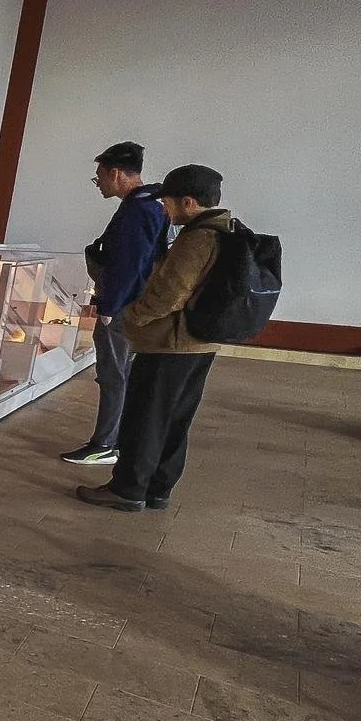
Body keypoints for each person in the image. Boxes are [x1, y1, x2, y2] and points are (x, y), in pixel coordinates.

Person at [77, 164, 229, 512]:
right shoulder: (224, 230)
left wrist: (133, 316)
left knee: (145, 418)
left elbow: (169, 293)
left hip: (169, 344)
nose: (164, 208)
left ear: (188, 202)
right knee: (175, 419)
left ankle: (128, 489)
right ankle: (158, 488)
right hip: (199, 343)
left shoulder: (197, 238)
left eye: (168, 202)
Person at [59, 141, 168, 465]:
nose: (99, 184)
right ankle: (116, 439)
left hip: (123, 305)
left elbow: (127, 264)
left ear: (116, 173)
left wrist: (108, 307)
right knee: (123, 373)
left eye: (100, 176)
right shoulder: (153, 204)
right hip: (137, 302)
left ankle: (105, 443)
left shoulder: (137, 211)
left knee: (113, 374)